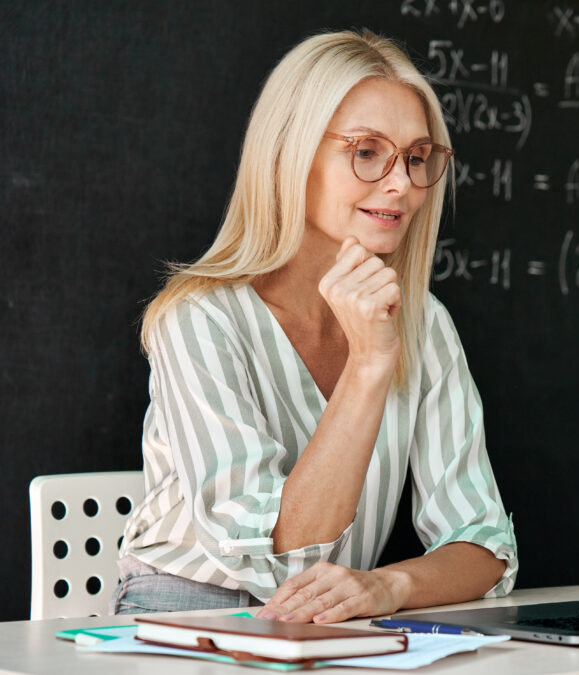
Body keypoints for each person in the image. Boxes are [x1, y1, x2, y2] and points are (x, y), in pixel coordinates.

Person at [112, 29, 517, 624]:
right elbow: (277, 556)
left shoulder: (425, 324)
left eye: (415, 156)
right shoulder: (199, 320)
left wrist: (389, 585)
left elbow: (486, 545)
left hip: (332, 620)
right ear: (289, 153)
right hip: (188, 610)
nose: (401, 184)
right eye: (366, 150)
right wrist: (370, 364)